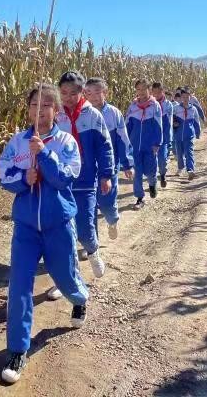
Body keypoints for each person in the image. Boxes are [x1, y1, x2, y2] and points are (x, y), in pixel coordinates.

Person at [0, 84, 89, 384]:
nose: (40, 109)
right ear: (28, 108)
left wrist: (45, 155)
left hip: (58, 225)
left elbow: (65, 178)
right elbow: (3, 174)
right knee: (19, 287)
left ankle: (79, 297)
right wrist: (24, 178)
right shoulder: (16, 142)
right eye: (35, 103)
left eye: (47, 104)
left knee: (65, 276)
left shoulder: (65, 142)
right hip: (25, 228)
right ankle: (17, 350)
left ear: (57, 110)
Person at [55, 71, 114, 278]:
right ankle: (68, 276)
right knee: (63, 232)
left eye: (73, 93)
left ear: (82, 92)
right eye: (63, 93)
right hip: (61, 182)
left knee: (85, 228)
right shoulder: (56, 114)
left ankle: (93, 250)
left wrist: (106, 175)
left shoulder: (92, 115)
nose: (68, 98)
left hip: (87, 181)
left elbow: (104, 147)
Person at [84, 77, 133, 239]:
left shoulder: (113, 113)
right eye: (89, 93)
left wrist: (127, 163)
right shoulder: (83, 113)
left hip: (109, 166)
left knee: (106, 203)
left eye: (98, 92)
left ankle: (112, 220)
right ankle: (92, 243)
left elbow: (123, 139)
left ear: (105, 93)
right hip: (87, 167)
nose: (94, 97)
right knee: (88, 206)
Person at [125, 80, 163, 209]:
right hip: (134, 146)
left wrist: (157, 143)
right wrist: (126, 143)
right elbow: (127, 126)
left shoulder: (155, 106)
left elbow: (159, 125)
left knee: (150, 171)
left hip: (149, 145)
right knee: (137, 172)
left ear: (149, 89)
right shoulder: (133, 107)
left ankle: (152, 183)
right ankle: (139, 198)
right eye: (138, 90)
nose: (140, 92)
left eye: (143, 89)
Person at [173, 89, 202, 180]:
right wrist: (174, 124)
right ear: (181, 98)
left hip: (189, 135)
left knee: (189, 153)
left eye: (187, 97)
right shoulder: (177, 108)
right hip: (178, 135)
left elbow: (197, 122)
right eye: (183, 97)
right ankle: (180, 168)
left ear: (190, 97)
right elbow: (172, 119)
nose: (185, 99)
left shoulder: (193, 109)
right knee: (179, 153)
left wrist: (198, 132)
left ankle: (190, 170)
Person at [151, 82, 174, 189]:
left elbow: (168, 122)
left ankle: (163, 174)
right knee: (152, 160)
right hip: (152, 138)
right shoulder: (149, 104)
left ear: (162, 91)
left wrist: (168, 136)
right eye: (154, 92)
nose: (156, 94)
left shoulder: (168, 105)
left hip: (164, 137)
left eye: (158, 92)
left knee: (162, 159)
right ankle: (154, 181)